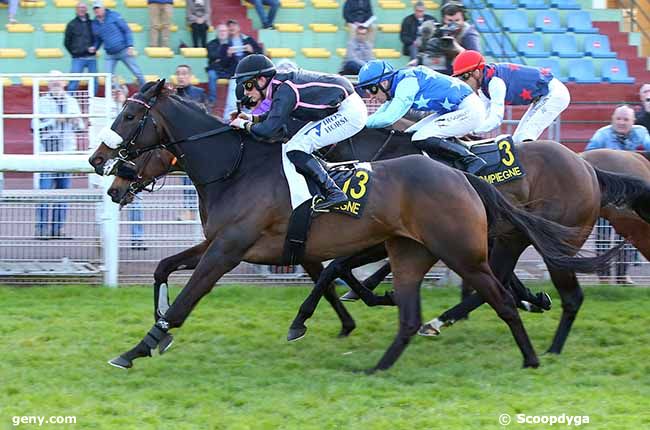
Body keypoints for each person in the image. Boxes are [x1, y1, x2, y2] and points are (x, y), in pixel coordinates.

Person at [229, 54, 368, 211]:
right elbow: (275, 115)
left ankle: (334, 193)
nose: (246, 93)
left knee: (296, 148)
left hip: (349, 112)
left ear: (261, 80)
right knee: (293, 147)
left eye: (247, 86)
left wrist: (243, 124)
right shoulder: (279, 87)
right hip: (342, 107)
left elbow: (268, 130)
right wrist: (251, 118)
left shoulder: (285, 90)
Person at [358, 59, 486, 174]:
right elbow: (380, 114)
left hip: (469, 110)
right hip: (453, 110)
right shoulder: (397, 84)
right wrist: (361, 124)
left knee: (421, 137)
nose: (370, 95)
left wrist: (360, 124)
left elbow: (388, 118)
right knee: (409, 135)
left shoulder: (406, 84)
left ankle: (471, 159)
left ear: (384, 83)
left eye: (371, 89)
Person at [586, 105, 650, 285]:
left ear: (633, 122)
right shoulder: (601, 135)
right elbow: (585, 161)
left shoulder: (640, 132)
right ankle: (604, 277)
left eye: (626, 119)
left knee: (629, 237)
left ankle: (622, 276)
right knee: (603, 237)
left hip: (629, 198)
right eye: (619, 119)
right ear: (613, 119)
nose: (622, 122)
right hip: (605, 196)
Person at [452, 50, 571, 143]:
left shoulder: (495, 83)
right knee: (516, 141)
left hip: (555, 94)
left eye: (464, 78)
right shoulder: (484, 86)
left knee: (524, 137)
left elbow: (495, 119)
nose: (463, 84)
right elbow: (483, 115)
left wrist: (469, 130)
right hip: (543, 95)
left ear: (476, 72)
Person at [32, 71, 85, 239]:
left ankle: (58, 230)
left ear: (64, 83)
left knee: (63, 193)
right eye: (52, 81)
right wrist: (55, 120)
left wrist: (76, 120)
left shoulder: (72, 101)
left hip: (67, 152)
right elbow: (34, 125)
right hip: (48, 152)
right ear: (48, 84)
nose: (55, 83)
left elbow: (81, 127)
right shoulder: (41, 101)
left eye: (58, 81)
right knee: (44, 192)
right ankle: (41, 230)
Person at [174, 64, 206, 221]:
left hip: (197, 143)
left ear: (190, 76)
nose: (181, 76)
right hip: (181, 143)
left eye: (184, 73)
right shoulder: (173, 95)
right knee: (186, 179)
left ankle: (196, 210)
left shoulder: (199, 93)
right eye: (178, 73)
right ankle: (189, 210)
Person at [92, 0, 145, 88]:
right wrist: (95, 47)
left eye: (98, 8)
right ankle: (117, 93)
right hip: (110, 54)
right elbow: (98, 39)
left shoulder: (114, 15)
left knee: (137, 72)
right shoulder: (95, 23)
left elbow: (126, 30)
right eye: (95, 9)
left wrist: (130, 46)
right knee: (108, 77)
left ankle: (147, 91)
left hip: (123, 50)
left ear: (103, 8)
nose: (97, 10)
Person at [218, 19, 263, 121]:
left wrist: (252, 50)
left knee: (251, 102)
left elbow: (260, 55)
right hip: (236, 77)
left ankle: (250, 122)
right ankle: (227, 123)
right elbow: (223, 64)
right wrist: (228, 55)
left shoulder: (249, 40)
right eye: (230, 26)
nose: (232, 28)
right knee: (232, 104)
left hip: (251, 77)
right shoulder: (225, 45)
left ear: (238, 27)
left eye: (234, 25)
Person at [64, 2, 98, 93]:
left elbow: (97, 38)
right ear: (76, 9)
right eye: (80, 7)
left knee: (94, 82)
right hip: (78, 58)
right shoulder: (71, 24)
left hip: (92, 58)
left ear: (86, 9)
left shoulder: (92, 23)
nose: (82, 9)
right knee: (73, 82)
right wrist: (75, 52)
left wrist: (95, 47)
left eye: (83, 7)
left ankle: (93, 103)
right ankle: (69, 103)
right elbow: (66, 42)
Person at [206, 23, 229, 107]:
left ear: (227, 32)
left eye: (224, 31)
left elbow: (233, 58)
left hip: (228, 69)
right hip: (215, 69)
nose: (222, 33)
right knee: (211, 75)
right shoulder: (211, 44)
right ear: (216, 32)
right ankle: (212, 100)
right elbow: (212, 55)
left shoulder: (231, 43)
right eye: (220, 31)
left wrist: (220, 58)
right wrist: (226, 55)